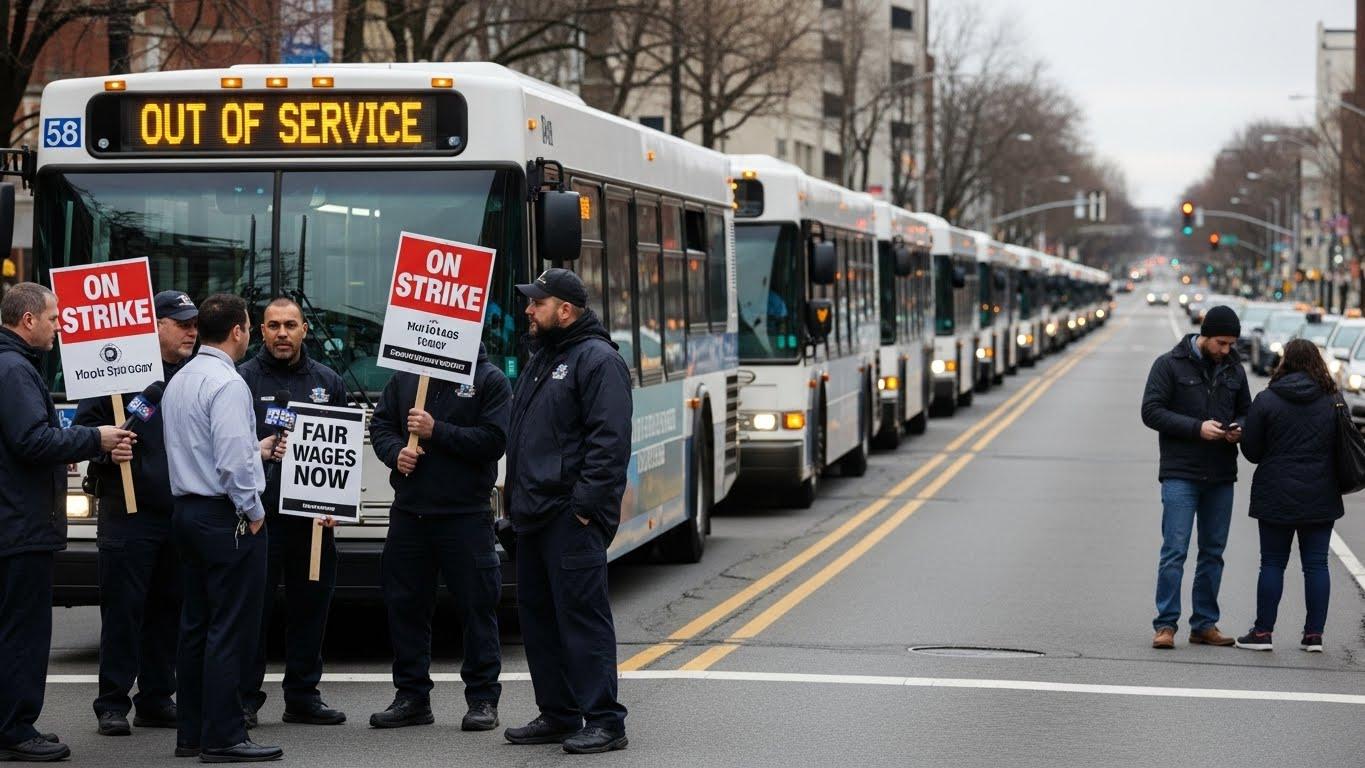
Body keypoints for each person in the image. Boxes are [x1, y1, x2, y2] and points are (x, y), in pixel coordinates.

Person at [0, 282, 133, 762]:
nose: (60, 328)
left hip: (19, 520)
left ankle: (15, 722)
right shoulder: (15, 369)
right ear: (28, 320)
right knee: (23, 633)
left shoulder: (15, 365)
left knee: (18, 629)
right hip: (20, 525)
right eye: (54, 319)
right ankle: (15, 730)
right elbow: (32, 441)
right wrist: (92, 438)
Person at [503, 268, 632, 754]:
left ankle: (604, 719)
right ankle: (557, 712)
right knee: (538, 620)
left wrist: (583, 509)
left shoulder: (598, 360)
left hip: (568, 518)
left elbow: (609, 443)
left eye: (538, 303)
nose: (528, 310)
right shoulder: (543, 358)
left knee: (582, 619)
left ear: (566, 310)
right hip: (533, 516)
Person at [162, 293, 285, 762]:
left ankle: (191, 732)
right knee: (231, 629)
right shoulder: (229, 384)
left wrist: (254, 451)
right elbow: (233, 466)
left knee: (196, 625)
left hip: (188, 513)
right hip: (226, 518)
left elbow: (205, 451)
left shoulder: (181, 379)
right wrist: (255, 514)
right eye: (250, 327)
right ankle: (224, 735)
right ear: (239, 331)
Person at [367, 344, 511, 731]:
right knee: (406, 607)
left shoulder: (489, 380)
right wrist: (395, 452)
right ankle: (412, 697)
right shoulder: (407, 376)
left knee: (477, 608)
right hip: (410, 514)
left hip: (465, 516)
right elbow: (380, 425)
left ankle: (482, 699)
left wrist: (437, 431)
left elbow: (494, 441)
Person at [75, 290, 199, 737]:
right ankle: (111, 703)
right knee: (124, 612)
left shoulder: (192, 374)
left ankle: (155, 698)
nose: (191, 331)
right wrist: (108, 449)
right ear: (156, 327)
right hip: (128, 512)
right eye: (181, 322)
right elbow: (83, 431)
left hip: (178, 511)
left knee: (170, 609)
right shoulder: (117, 375)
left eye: (194, 323)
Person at [237, 297, 348, 728]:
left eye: (290, 325)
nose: (282, 333)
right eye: (273, 326)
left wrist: (336, 504)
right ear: (260, 332)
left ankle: (302, 695)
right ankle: (245, 698)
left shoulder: (329, 380)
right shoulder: (241, 380)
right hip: (257, 519)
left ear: (305, 330)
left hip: (313, 521)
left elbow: (340, 451)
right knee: (254, 612)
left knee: (310, 609)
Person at [1140, 305, 1250, 650]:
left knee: (1213, 552)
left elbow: (1246, 410)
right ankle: (1166, 624)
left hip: (1220, 473)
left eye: (1231, 344)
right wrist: (1196, 429)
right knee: (1174, 550)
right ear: (1204, 336)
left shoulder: (1234, 369)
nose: (1226, 350)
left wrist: (1240, 429)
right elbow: (1151, 411)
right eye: (1221, 343)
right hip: (1180, 472)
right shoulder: (1168, 364)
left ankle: (1204, 623)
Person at [1235, 338, 1344, 652]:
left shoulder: (1267, 399)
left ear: (1285, 363)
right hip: (1321, 492)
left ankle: (1262, 633)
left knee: (1271, 563)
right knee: (1316, 565)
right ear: (1317, 363)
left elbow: (1252, 452)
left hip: (1275, 492)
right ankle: (1314, 636)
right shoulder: (1333, 400)